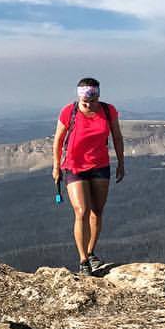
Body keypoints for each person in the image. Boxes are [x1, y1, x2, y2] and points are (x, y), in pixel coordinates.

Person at [52, 78, 125, 276]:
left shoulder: (108, 111)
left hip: (100, 166)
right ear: (79, 97)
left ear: (98, 96)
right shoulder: (69, 111)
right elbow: (58, 139)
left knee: (97, 211)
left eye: (92, 101)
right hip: (75, 166)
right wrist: (56, 167)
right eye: (85, 102)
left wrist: (121, 162)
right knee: (81, 211)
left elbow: (117, 137)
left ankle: (91, 252)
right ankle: (83, 260)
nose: (88, 105)